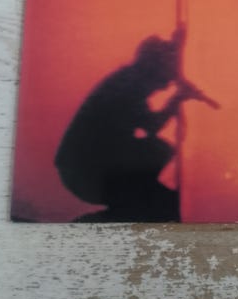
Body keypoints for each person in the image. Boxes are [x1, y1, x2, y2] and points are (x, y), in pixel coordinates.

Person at [54, 28, 204, 222]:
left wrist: (177, 46)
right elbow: (151, 126)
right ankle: (122, 208)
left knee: (164, 193)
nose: (168, 83)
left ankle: (128, 203)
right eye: (168, 75)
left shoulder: (128, 81)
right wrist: (176, 100)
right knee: (158, 152)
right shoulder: (128, 87)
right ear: (154, 68)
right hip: (86, 170)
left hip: (83, 167)